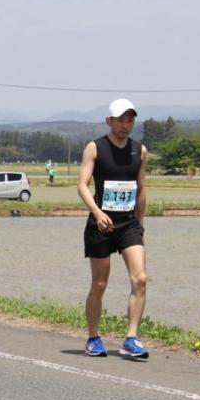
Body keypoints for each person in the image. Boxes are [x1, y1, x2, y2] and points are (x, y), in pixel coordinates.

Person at [77, 98, 149, 359]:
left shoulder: (139, 151)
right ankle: (93, 337)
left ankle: (131, 339)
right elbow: (82, 185)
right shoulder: (95, 148)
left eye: (130, 120)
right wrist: (97, 213)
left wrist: (140, 225)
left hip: (129, 224)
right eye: (120, 120)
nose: (125, 125)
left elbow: (141, 188)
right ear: (109, 121)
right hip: (101, 224)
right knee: (99, 283)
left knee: (140, 279)